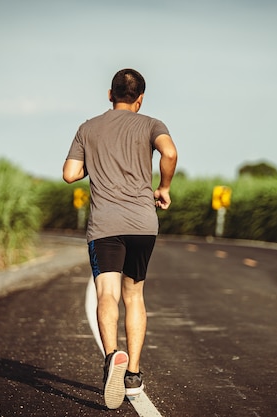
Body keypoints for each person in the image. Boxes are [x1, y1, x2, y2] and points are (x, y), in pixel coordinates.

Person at [62, 68, 177, 409]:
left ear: (109, 94)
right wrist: (164, 187)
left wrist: (93, 163)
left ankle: (113, 355)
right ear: (140, 100)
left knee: (107, 294)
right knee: (135, 296)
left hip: (105, 226)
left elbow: (70, 174)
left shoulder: (88, 128)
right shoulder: (152, 124)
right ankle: (134, 374)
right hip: (143, 223)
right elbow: (169, 153)